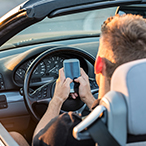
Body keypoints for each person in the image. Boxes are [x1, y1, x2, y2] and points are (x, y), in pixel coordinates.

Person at [11, 14, 146, 146]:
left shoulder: (68, 132)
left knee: (14, 137)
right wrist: (88, 97)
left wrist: (57, 100)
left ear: (99, 64)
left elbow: (38, 140)